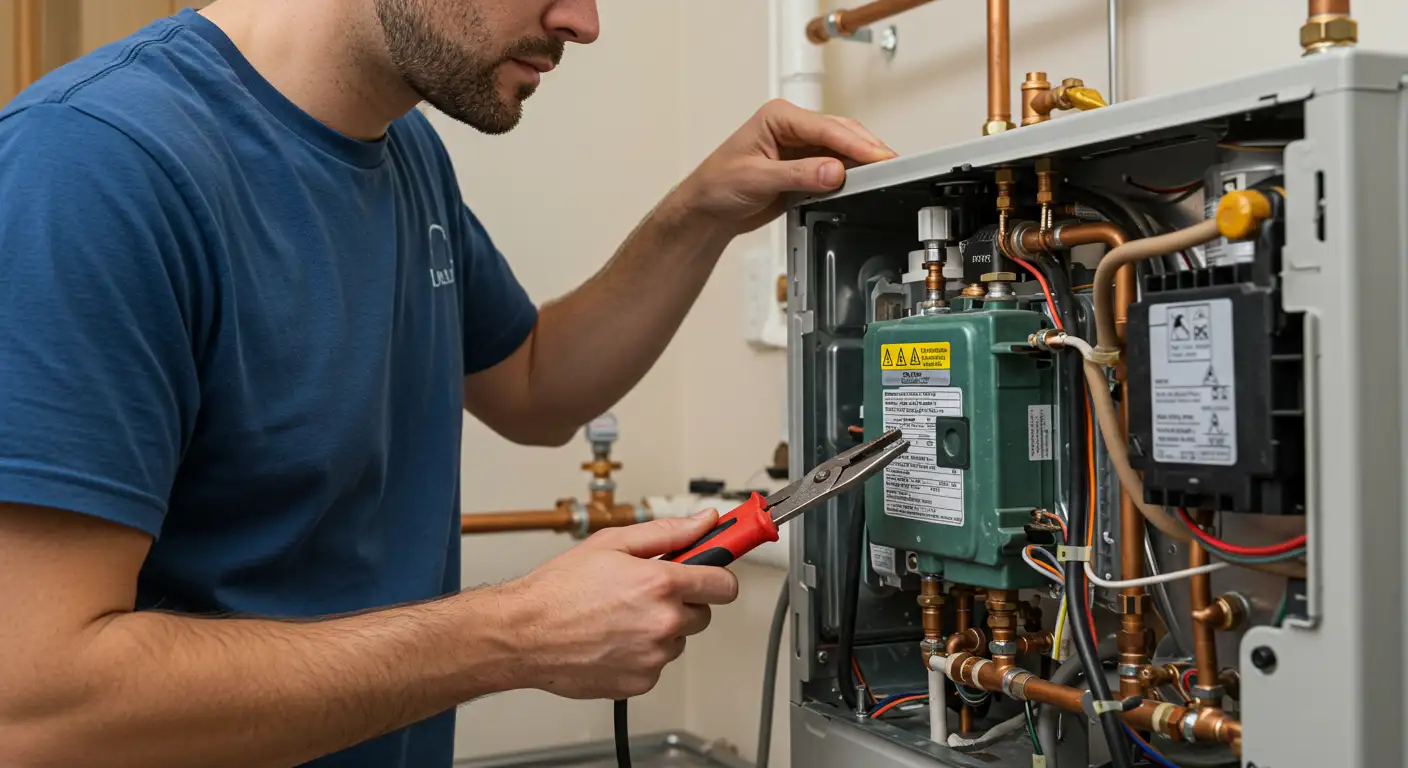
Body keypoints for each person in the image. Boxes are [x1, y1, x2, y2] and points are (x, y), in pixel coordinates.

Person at [0, 1, 896, 766]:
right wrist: (515, 635)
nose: (583, 22)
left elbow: (535, 385)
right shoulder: (91, 168)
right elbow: (35, 707)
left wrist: (697, 212)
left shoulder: (405, 154)